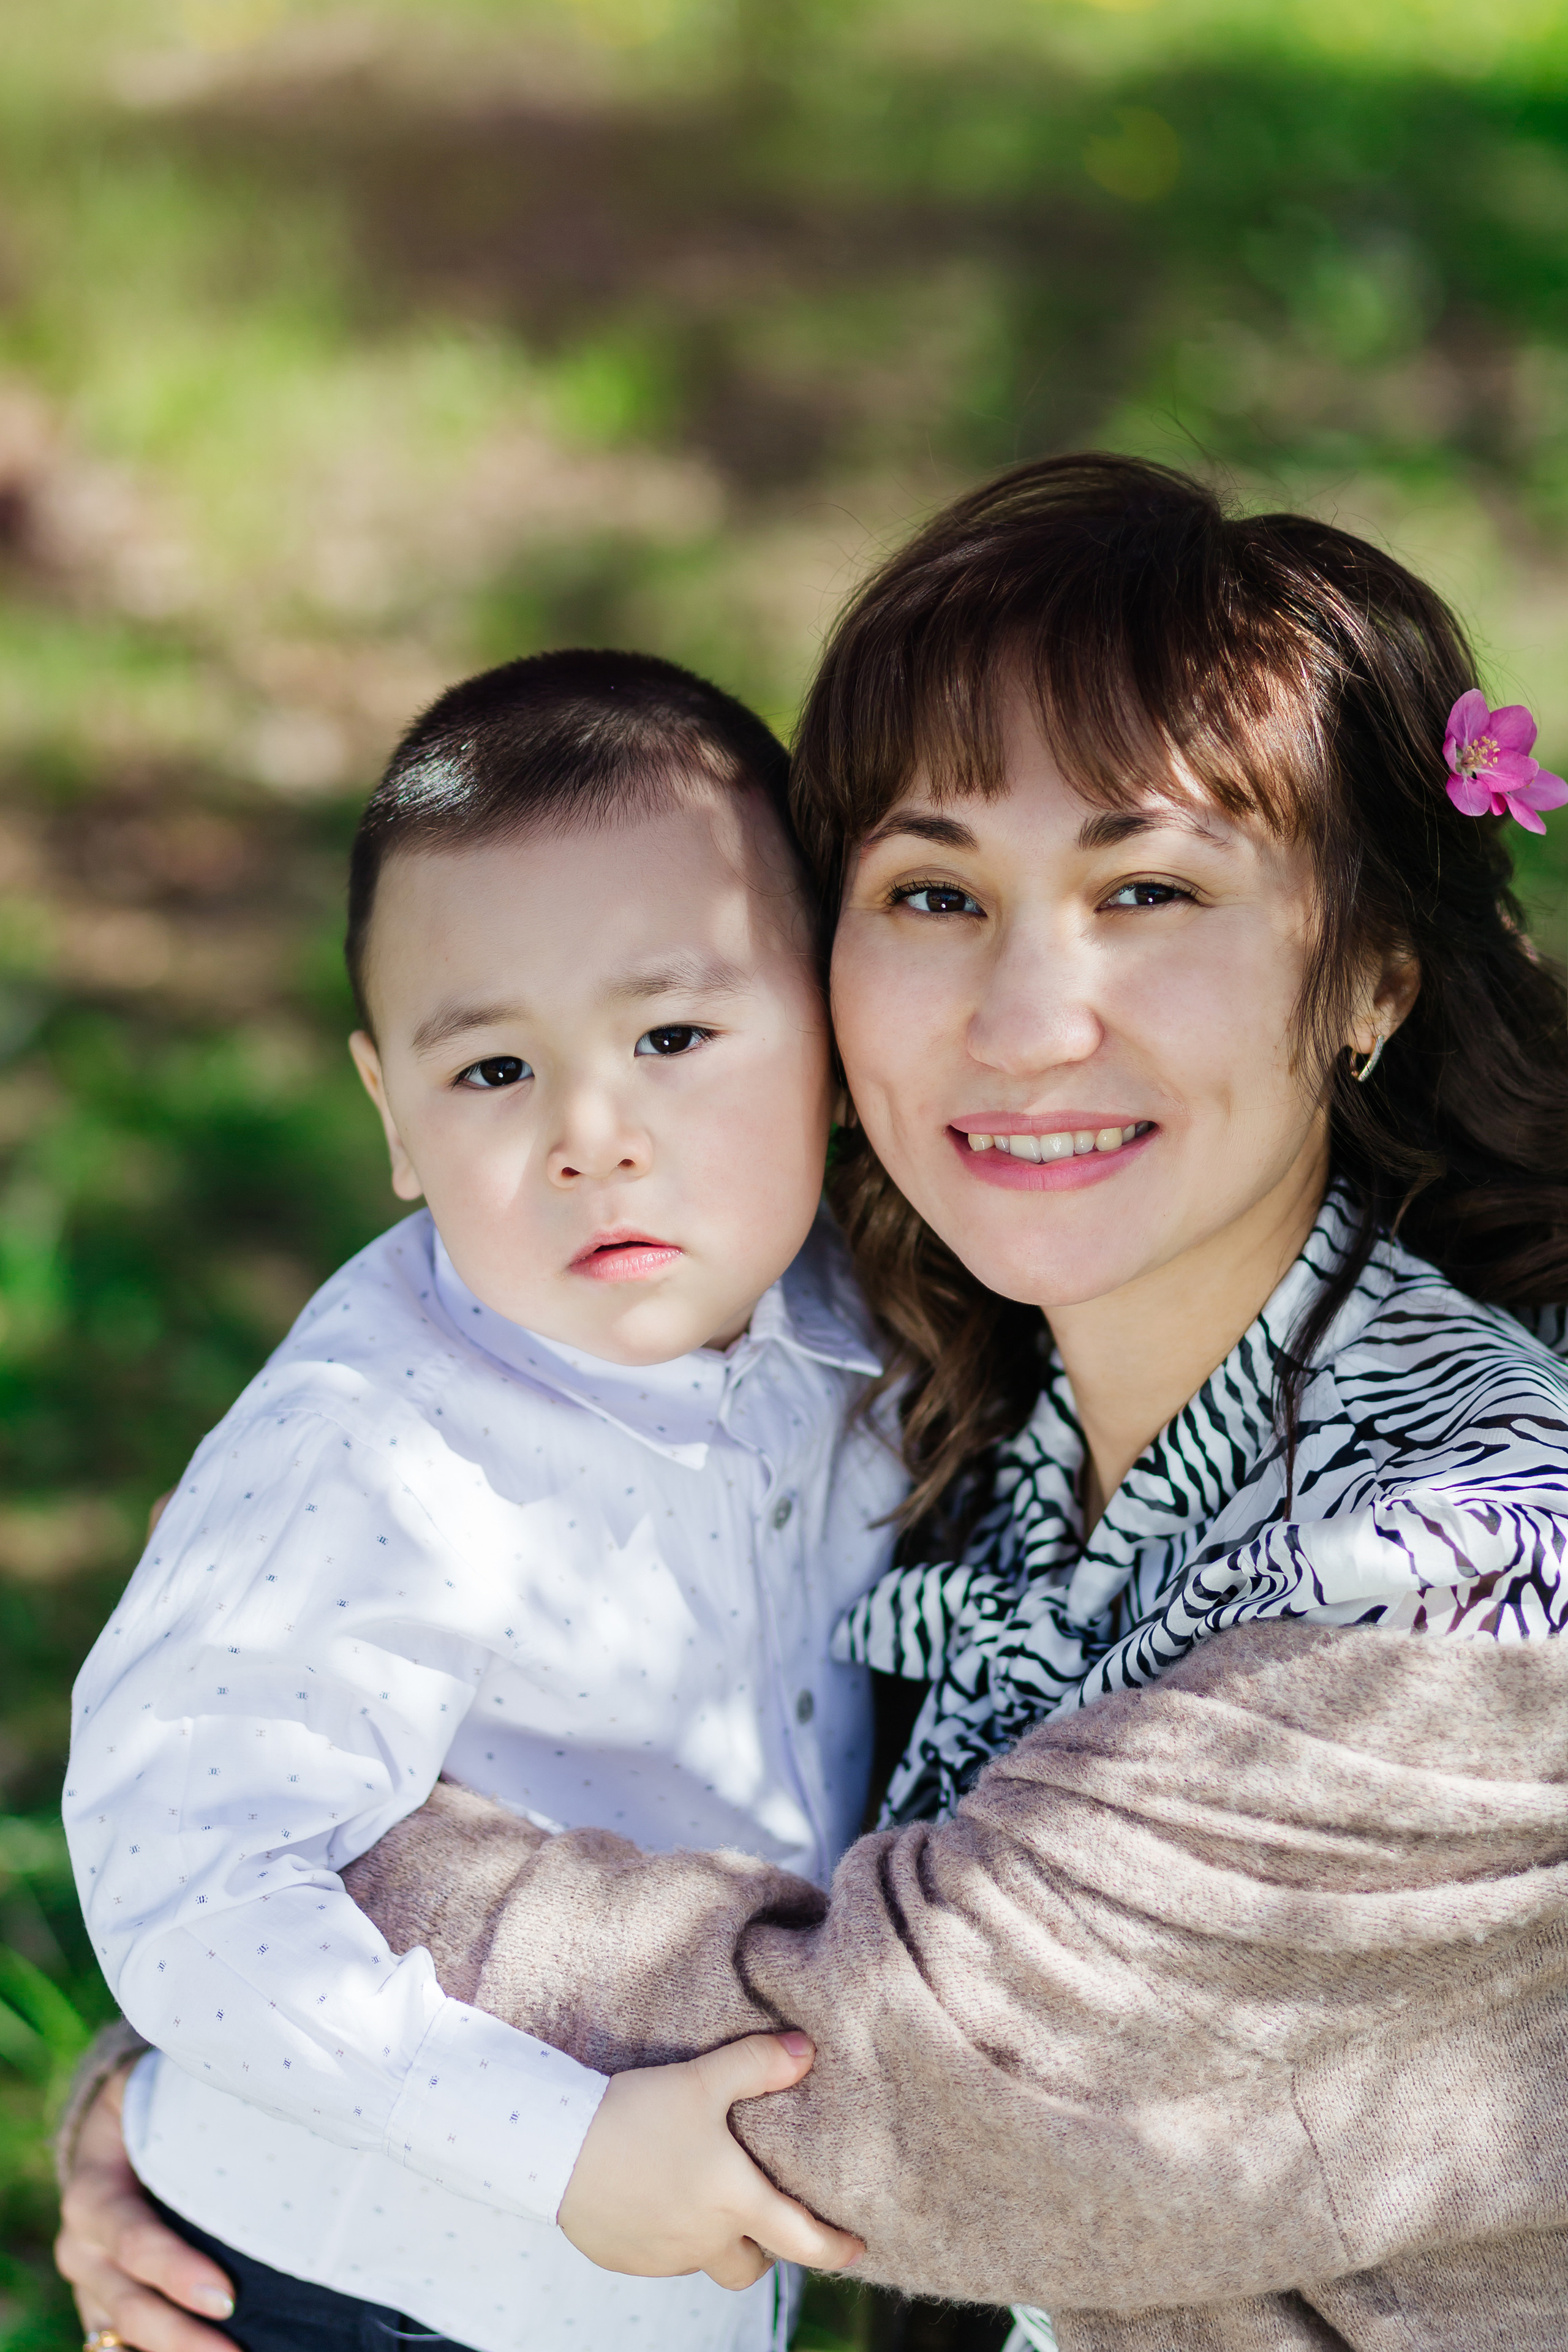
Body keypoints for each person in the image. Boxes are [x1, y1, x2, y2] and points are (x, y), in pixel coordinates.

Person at [60, 456, 1568, 2350]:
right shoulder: (935, 1371)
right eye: (935, 890)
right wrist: (236, 2089)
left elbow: (907, 2085)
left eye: (1150, 888)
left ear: (1368, 979)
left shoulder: (1464, 1584)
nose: (1026, 1018)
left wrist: (256, 2007)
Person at [59, 646, 894, 2352]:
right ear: (390, 1113)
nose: (595, 1130)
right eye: (494, 1073)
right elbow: (190, 1877)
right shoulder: (376, 1443)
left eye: (675, 1033)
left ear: (826, 1027)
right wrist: (563, 2143)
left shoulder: (862, 1327)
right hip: (366, 2284)